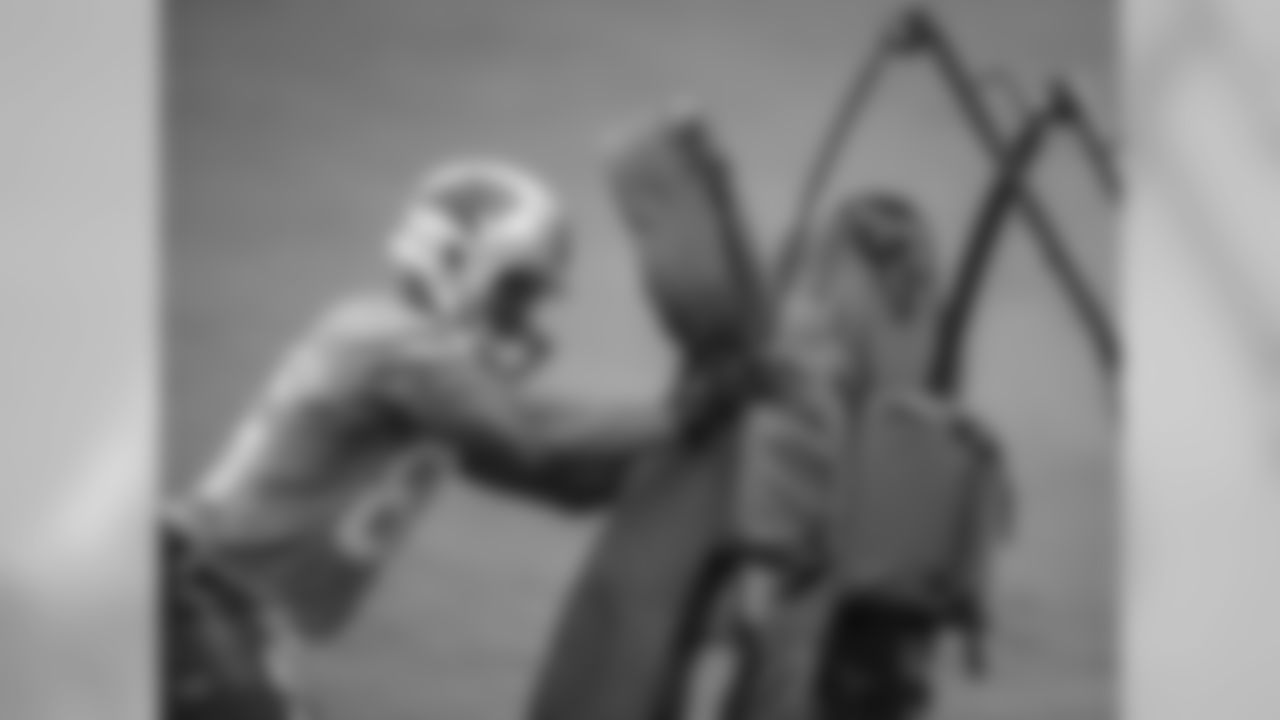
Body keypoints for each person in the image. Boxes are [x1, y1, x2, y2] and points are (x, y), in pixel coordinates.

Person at [164, 158, 752, 719]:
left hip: (206, 596)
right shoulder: (399, 344)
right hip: (203, 599)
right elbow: (531, 435)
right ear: (455, 259)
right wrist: (685, 415)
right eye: (516, 289)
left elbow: (560, 481)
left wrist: (685, 456)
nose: (521, 314)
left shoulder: (397, 355)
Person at [710, 190, 1016, 720]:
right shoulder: (889, 350)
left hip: (849, 617)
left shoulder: (825, 327)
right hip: (871, 620)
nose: (906, 290)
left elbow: (787, 462)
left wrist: (752, 590)